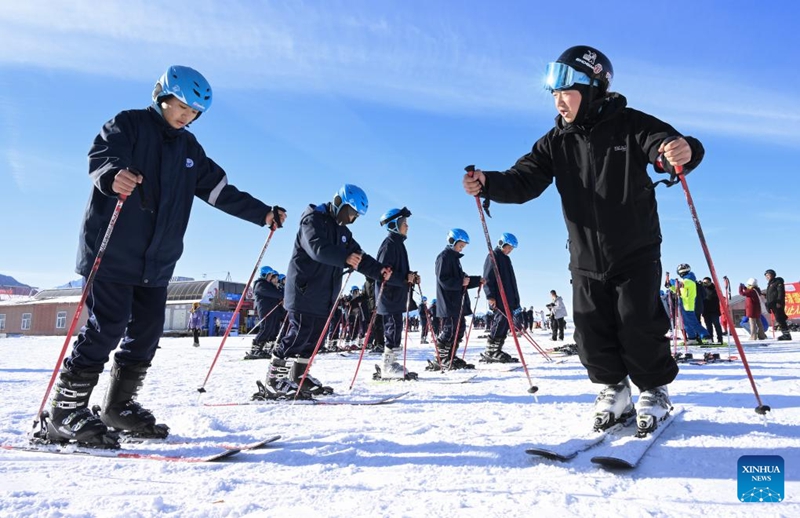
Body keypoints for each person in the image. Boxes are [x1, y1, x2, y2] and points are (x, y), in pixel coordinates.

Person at [38, 65, 287, 448]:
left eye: (194, 113)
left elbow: (221, 192)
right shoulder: (129, 124)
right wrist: (112, 175)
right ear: (162, 96)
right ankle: (63, 412)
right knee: (107, 326)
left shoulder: (190, 150)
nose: (186, 117)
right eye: (182, 108)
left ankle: (118, 407)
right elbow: (101, 156)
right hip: (113, 252)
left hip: (157, 262)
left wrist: (262, 213)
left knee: (149, 331)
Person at [462, 45, 705, 432]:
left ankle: (654, 390)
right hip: (585, 255)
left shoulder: (630, 123)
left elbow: (666, 145)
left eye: (566, 92)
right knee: (590, 329)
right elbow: (523, 179)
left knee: (637, 322)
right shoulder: (555, 142)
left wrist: (681, 150)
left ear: (593, 88)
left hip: (635, 248)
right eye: (554, 95)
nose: (559, 102)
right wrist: (489, 183)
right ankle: (614, 388)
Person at [253, 184, 391, 400]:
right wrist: (343, 258)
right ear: (339, 204)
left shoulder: (343, 232)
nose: (353, 218)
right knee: (299, 333)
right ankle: (274, 380)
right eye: (352, 212)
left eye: (356, 215)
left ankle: (299, 377)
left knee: (315, 336)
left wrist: (378, 270)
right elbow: (317, 249)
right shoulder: (312, 221)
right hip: (304, 290)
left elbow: (359, 256)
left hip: (325, 295)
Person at [427, 229, 482, 371]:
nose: (461, 248)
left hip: (457, 302)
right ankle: (441, 357)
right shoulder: (444, 257)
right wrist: (460, 282)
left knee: (459, 329)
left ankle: (450, 356)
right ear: (452, 242)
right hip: (448, 302)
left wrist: (477, 280)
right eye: (460, 245)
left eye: (463, 246)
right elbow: (443, 280)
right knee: (449, 330)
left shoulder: (454, 259)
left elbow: (463, 279)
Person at [374, 207, 420, 379]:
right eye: (404, 223)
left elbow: (399, 271)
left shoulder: (398, 244)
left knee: (396, 328)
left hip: (396, 295)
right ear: (395, 225)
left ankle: (391, 362)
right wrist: (404, 278)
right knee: (392, 328)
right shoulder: (389, 246)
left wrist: (411, 277)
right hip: (389, 295)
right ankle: (387, 365)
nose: (407, 227)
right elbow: (384, 273)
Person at [481, 232, 521, 363]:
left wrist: (516, 300)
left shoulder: (506, 259)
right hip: (498, 297)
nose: (510, 251)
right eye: (508, 247)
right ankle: (491, 350)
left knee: (505, 324)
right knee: (500, 322)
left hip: (509, 297)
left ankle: (497, 349)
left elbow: (511, 281)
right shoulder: (493, 256)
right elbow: (487, 278)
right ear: (501, 244)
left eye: (511, 249)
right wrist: (490, 296)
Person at [245, 266, 283, 359]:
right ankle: (255, 349)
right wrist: (282, 294)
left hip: (273, 310)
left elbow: (277, 293)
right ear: (265, 275)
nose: (271, 277)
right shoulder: (260, 284)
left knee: (271, 329)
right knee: (265, 328)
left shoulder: (268, 284)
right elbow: (274, 294)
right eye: (270, 275)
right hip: (265, 309)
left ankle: (264, 348)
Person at [674, 264, 710, 345]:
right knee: (686, 323)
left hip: (688, 305)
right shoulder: (685, 280)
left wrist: (673, 282)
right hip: (683, 304)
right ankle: (692, 338)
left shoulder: (689, 280)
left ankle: (706, 336)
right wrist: (670, 286)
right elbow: (677, 288)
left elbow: (682, 284)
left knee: (693, 322)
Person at [765, 269, 792, 341]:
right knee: (779, 319)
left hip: (777, 304)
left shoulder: (778, 282)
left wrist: (779, 302)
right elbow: (771, 294)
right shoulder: (770, 284)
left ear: (772, 275)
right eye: (766, 275)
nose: (767, 277)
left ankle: (786, 335)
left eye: (768, 275)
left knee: (780, 319)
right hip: (773, 304)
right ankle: (786, 334)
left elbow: (780, 292)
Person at [700, 277, 723, 345]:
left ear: (710, 282)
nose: (705, 284)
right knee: (708, 326)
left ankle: (720, 339)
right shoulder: (702, 289)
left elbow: (714, 296)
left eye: (707, 282)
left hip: (714, 311)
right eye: (704, 283)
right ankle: (710, 339)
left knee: (717, 325)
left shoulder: (715, 288)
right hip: (706, 311)